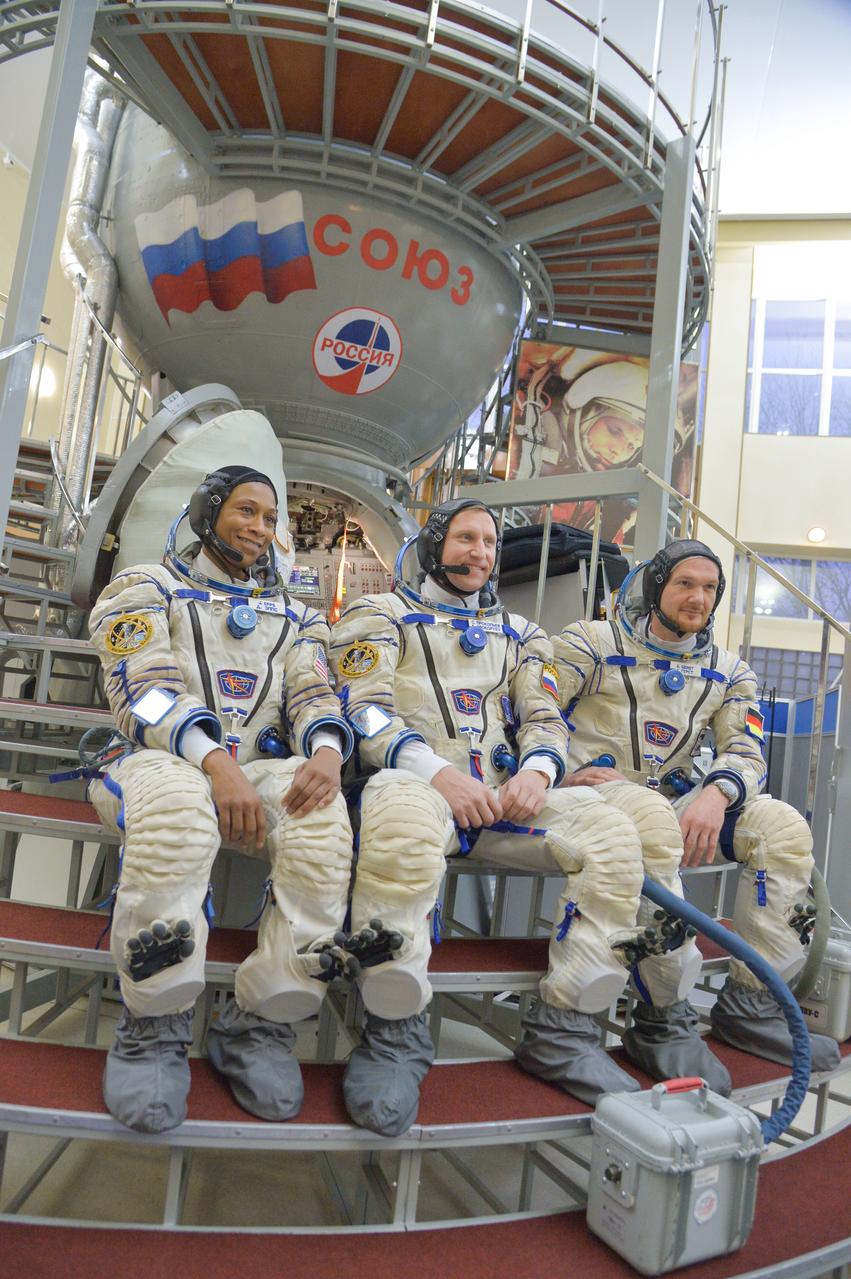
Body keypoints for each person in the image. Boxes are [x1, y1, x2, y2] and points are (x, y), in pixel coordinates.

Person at [329, 497, 670, 1137]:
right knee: (402, 827)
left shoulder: (523, 636)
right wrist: (438, 773)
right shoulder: (377, 617)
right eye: (465, 539)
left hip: (497, 797)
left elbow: (545, 718)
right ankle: (392, 1034)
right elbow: (365, 711)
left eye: (489, 542)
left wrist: (537, 772)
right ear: (433, 548)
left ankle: (563, 1030)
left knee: (612, 835)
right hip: (411, 786)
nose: (480, 553)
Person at [88, 465, 356, 1133]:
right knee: (179, 814)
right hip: (156, 761)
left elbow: (313, 692)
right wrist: (212, 759)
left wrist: (327, 750)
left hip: (254, 769)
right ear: (208, 512)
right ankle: (152, 1026)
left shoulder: (295, 616)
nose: (260, 528)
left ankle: (260, 1022)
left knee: (324, 821)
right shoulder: (145, 588)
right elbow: (144, 691)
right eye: (246, 511)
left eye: (270, 519)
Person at [551, 538, 840, 1081]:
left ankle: (751, 1004)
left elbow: (746, 751)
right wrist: (557, 770)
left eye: (709, 588)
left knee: (780, 827)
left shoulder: (729, 672)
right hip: (588, 800)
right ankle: (662, 1017)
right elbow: (527, 712)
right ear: (657, 586)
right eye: (685, 584)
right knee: (652, 819)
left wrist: (715, 794)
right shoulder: (588, 643)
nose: (698, 598)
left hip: (670, 802)